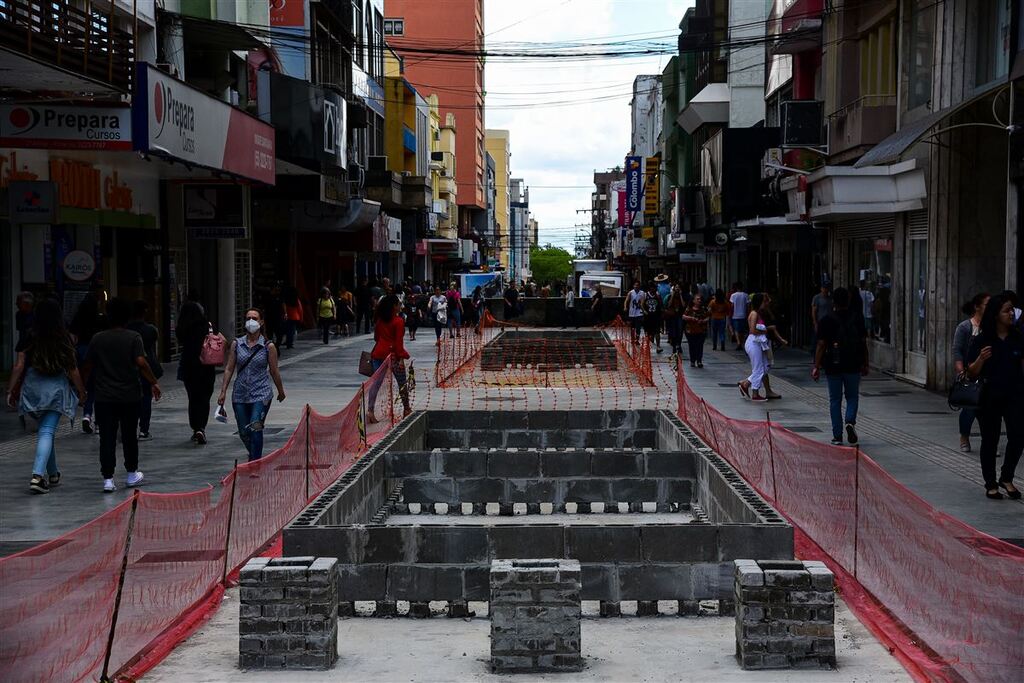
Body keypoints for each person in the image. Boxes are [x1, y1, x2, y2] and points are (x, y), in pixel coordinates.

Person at [6, 299, 87, 494]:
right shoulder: (64, 338)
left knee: (45, 430)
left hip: (33, 388)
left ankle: (53, 473)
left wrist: (10, 390)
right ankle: (37, 476)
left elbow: (19, 365)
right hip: (55, 389)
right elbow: (72, 369)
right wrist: (82, 391)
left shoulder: (29, 335)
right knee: (47, 431)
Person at [84, 297, 162, 492]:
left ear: (108, 316)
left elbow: (88, 364)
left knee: (107, 437)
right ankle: (131, 473)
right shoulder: (134, 337)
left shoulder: (98, 338)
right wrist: (153, 382)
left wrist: (83, 388)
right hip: (129, 395)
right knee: (129, 435)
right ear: (127, 317)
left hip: (104, 396)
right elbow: (141, 362)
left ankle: (108, 479)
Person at [965, 294, 1023, 500]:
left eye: (1012, 310)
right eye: (1007, 310)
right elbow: (970, 373)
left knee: (1018, 436)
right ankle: (990, 483)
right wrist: (981, 359)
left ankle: (1006, 477)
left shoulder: (1018, 338)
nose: (1011, 314)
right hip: (989, 396)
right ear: (996, 314)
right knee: (990, 439)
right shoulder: (982, 340)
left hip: (1015, 395)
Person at [217, 309, 286, 462]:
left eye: (254, 318)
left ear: (261, 322)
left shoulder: (268, 346)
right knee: (243, 431)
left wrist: (280, 391)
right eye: (248, 318)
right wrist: (223, 391)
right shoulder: (237, 344)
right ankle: (254, 455)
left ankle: (255, 462)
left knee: (255, 426)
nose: (251, 321)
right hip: (240, 394)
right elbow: (229, 368)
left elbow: (274, 371)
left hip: (261, 393)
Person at [812, 288, 869, 445]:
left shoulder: (826, 320)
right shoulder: (857, 317)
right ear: (848, 301)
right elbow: (863, 342)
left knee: (835, 400)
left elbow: (821, 344)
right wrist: (865, 362)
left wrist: (816, 366)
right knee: (852, 396)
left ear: (833, 302)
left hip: (833, 364)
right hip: (853, 363)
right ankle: (849, 421)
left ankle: (837, 435)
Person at [175, 299, 217, 445]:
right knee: (204, 398)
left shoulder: (182, 328)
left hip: (188, 366)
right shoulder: (206, 325)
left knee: (193, 398)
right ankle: (201, 427)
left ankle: (195, 427)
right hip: (206, 365)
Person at [952, 293, 989, 453]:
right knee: (969, 408)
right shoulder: (965, 327)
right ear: (977, 306)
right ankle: (964, 436)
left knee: (988, 410)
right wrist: (962, 372)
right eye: (987, 304)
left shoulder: (991, 326)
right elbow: (957, 351)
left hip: (986, 374)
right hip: (970, 373)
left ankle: (989, 440)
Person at [366, 295, 412, 423]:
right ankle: (406, 409)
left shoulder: (380, 320)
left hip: (378, 354)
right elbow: (398, 343)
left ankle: (370, 411)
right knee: (402, 382)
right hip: (393, 356)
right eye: (399, 304)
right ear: (394, 306)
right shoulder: (398, 321)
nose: (400, 306)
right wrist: (401, 358)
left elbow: (376, 338)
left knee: (376, 383)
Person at [127, 300, 161, 441]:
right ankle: (144, 430)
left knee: (131, 399)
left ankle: (131, 427)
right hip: (146, 366)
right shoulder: (150, 330)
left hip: (130, 368)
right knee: (146, 397)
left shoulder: (127, 330)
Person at [69, 293, 103, 434]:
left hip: (81, 352)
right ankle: (98, 422)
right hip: (97, 353)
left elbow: (71, 335)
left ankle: (87, 415)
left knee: (87, 387)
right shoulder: (100, 318)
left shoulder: (77, 318)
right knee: (97, 389)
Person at [683, 292, 710, 368]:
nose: (699, 300)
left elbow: (708, 317)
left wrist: (703, 321)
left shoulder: (703, 309)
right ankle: (692, 361)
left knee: (699, 346)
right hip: (690, 330)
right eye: (697, 299)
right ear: (693, 301)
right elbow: (684, 316)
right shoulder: (689, 309)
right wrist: (691, 318)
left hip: (701, 330)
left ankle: (699, 361)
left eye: (700, 299)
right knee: (692, 346)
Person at [664, 284, 685, 362]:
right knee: (673, 332)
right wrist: (672, 295)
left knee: (680, 331)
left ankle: (678, 345)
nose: (677, 289)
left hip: (679, 316)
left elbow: (683, 305)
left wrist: (681, 295)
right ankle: (674, 346)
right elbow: (669, 305)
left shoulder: (682, 296)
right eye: (676, 288)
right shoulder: (670, 296)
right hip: (672, 316)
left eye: (678, 288)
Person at [811, 284, 833, 355]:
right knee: (819, 341)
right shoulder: (817, 298)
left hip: (829, 323)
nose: (825, 290)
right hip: (820, 322)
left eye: (827, 288)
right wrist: (815, 323)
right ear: (821, 288)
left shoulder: (830, 298)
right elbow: (814, 311)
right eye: (824, 288)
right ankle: (816, 356)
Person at [643, 282, 663, 352]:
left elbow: (661, 305)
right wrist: (644, 310)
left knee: (657, 332)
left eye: (654, 288)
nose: (653, 289)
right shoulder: (645, 295)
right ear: (650, 288)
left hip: (656, 316)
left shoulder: (658, 295)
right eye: (652, 288)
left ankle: (658, 346)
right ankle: (649, 345)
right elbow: (641, 304)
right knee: (649, 333)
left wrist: (661, 313)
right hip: (648, 317)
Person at [729, 283, 749, 351]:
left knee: (736, 330)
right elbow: (748, 306)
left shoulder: (733, 295)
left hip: (735, 315)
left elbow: (732, 306)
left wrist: (730, 314)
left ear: (736, 288)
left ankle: (738, 342)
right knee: (742, 330)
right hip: (743, 315)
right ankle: (741, 342)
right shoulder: (746, 295)